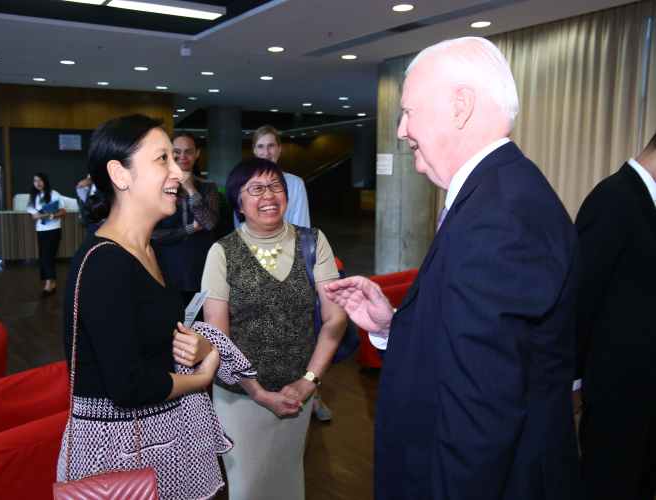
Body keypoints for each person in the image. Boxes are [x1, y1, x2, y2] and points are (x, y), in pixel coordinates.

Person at [324, 37, 581, 499]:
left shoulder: (497, 217)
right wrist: (392, 326)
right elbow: (472, 349)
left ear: (461, 107)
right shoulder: (496, 194)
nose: (401, 131)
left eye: (409, 112)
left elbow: (480, 416)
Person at [57, 114, 255, 500]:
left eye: (176, 159)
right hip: (117, 453)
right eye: (162, 159)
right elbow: (128, 385)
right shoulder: (104, 263)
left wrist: (191, 345)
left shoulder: (150, 249)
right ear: (120, 174)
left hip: (157, 439)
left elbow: (155, 335)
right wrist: (200, 379)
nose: (179, 173)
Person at [202, 157, 347, 500]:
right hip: (241, 398)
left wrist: (309, 381)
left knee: (288, 485)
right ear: (238, 201)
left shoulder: (313, 242)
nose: (268, 195)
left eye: (275, 186)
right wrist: (257, 392)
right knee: (248, 488)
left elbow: (335, 318)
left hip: (294, 394)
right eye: (255, 188)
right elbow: (218, 336)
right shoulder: (222, 253)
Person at [574, 132, 656, 500]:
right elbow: (579, 298)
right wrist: (573, 379)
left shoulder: (645, 202)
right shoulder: (614, 199)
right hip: (616, 392)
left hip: (643, 388)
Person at [250, 125, 332, 420]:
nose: (266, 152)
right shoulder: (246, 182)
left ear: (280, 149)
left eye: (271, 146)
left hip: (290, 267)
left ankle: (312, 394)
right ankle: (269, 390)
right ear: (254, 150)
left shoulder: (294, 183)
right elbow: (242, 229)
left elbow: (300, 227)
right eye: (261, 147)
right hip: (256, 267)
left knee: (301, 335)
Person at [151, 130, 219, 312]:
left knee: (202, 326)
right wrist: (190, 228)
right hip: (169, 268)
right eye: (177, 152)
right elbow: (152, 235)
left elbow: (210, 223)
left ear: (197, 154)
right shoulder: (159, 188)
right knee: (171, 326)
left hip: (201, 267)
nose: (183, 156)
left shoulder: (207, 187)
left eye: (188, 151)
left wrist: (190, 189)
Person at [27, 172, 67, 296]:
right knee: (43, 258)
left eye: (40, 180)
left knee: (46, 258)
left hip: (53, 229)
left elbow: (64, 211)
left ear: (45, 181)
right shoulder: (33, 196)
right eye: (35, 181)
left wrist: (51, 215)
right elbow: (32, 215)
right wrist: (39, 215)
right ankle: (52, 283)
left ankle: (48, 286)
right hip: (41, 230)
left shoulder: (54, 194)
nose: (38, 183)